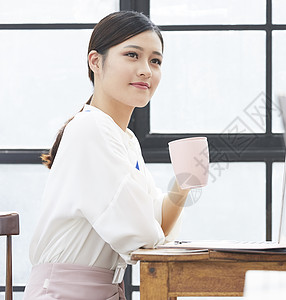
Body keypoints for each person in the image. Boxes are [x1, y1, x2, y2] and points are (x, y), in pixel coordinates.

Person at [23, 11, 189, 300]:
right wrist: (151, 229)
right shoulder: (91, 130)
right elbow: (143, 236)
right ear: (95, 62)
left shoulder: (124, 139)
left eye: (155, 61)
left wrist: (186, 180)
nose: (146, 70)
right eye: (132, 55)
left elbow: (155, 222)